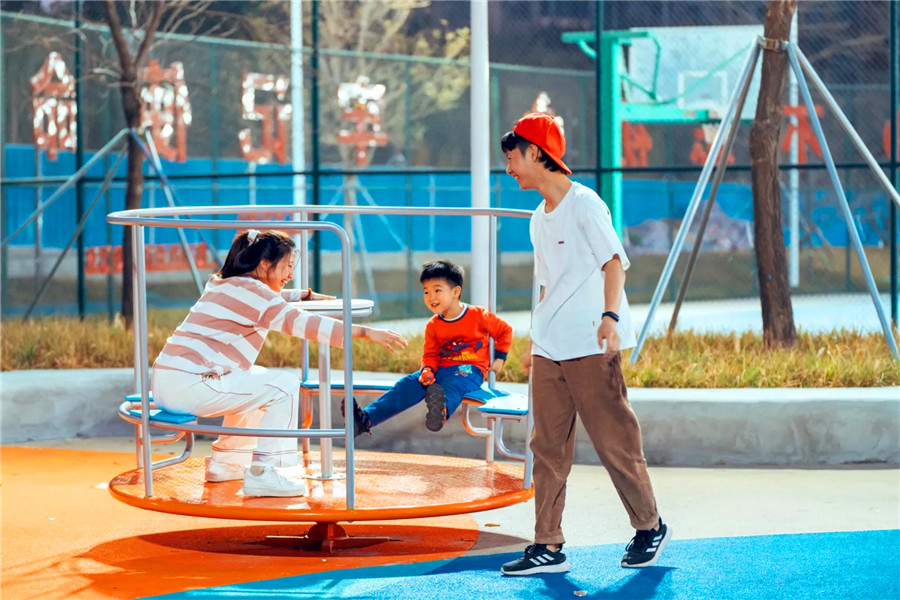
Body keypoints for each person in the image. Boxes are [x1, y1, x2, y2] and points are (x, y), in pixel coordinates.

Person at [497, 113, 671, 575]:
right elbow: (545, 284)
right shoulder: (538, 217)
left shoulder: (585, 203)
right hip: (550, 346)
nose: (509, 168)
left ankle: (649, 525)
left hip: (592, 342)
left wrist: (611, 319)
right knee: (547, 448)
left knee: (615, 441)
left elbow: (615, 263)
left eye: (512, 157)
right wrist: (536, 342)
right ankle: (548, 545)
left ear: (536, 153)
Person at [151, 229, 407, 498]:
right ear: (264, 265)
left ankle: (227, 462)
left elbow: (269, 295)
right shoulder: (256, 295)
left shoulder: (223, 283)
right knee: (284, 385)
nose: (290, 274)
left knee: (257, 377)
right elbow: (303, 324)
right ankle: (264, 471)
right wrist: (365, 332)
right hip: (191, 385)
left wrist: (304, 295)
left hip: (168, 383)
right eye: (287, 266)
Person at [344, 260, 512, 435]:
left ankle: (440, 412)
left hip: (469, 370)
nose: (431, 297)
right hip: (439, 369)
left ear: (456, 291)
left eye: (437, 290)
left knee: (453, 385)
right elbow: (430, 354)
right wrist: (427, 370)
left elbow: (504, 330)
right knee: (407, 384)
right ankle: (365, 419)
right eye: (426, 292)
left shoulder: (477, 315)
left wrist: (500, 358)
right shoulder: (433, 325)